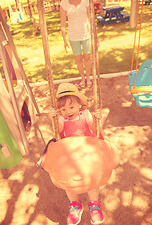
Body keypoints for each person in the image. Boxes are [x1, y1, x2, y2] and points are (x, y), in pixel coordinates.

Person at [50, 82, 110, 225]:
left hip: (87, 152)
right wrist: (52, 119)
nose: (68, 111)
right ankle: (75, 205)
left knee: (91, 178)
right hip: (69, 154)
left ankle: (94, 204)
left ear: (80, 105)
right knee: (68, 181)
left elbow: (94, 129)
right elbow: (57, 132)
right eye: (63, 109)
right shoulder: (61, 119)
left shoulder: (86, 114)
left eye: (71, 107)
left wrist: (97, 120)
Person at [60, 0, 92, 88]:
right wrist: (64, 40)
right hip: (73, 36)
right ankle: (83, 78)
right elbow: (63, 24)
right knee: (78, 59)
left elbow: (90, 18)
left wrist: (95, 36)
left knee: (87, 58)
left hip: (86, 33)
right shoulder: (63, 4)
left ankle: (88, 78)